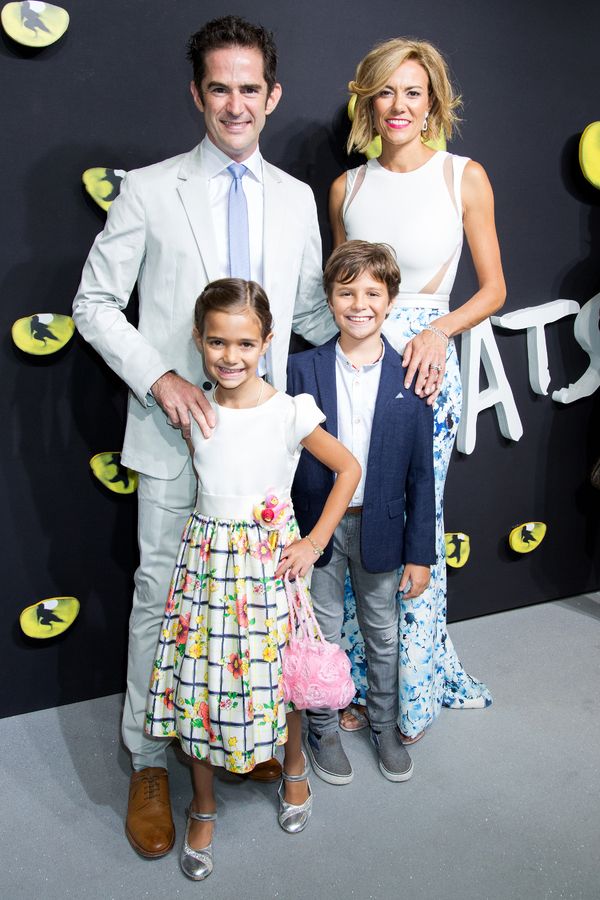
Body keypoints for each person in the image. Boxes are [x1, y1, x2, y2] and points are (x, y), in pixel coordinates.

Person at [72, 15, 335, 859]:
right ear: (197, 94)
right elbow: (92, 305)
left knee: (256, 611)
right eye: (218, 87)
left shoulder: (296, 198)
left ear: (273, 95)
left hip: (259, 454)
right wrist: (161, 376)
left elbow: (304, 316)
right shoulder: (148, 189)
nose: (234, 103)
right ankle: (150, 761)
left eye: (248, 87)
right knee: (163, 601)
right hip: (167, 434)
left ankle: (239, 741)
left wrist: (390, 304)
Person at [145, 278, 360, 880]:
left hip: (270, 567)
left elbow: (348, 468)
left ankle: (293, 768)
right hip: (208, 570)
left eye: (244, 342)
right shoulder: (194, 409)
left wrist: (314, 541)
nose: (230, 356)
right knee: (202, 683)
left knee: (280, 676)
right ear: (199, 340)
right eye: (217, 342)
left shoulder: (289, 412)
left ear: (267, 342)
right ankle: (204, 806)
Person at [328, 38, 506, 741]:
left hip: (426, 367)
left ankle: (412, 688)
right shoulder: (348, 188)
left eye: (412, 91)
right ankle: (351, 681)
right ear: (367, 99)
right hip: (354, 365)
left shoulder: (464, 177)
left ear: (432, 99)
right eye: (385, 91)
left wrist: (439, 332)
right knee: (351, 518)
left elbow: (494, 287)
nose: (398, 106)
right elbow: (338, 288)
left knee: (413, 531)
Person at [288, 240, 435, 784]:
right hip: (317, 528)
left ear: (390, 300)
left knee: (384, 632)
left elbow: (423, 475)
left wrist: (420, 554)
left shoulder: (410, 376)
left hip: (380, 529)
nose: (359, 303)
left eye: (372, 292)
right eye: (346, 292)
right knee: (322, 633)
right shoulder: (300, 369)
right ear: (329, 299)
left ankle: (384, 724)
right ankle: (324, 728)